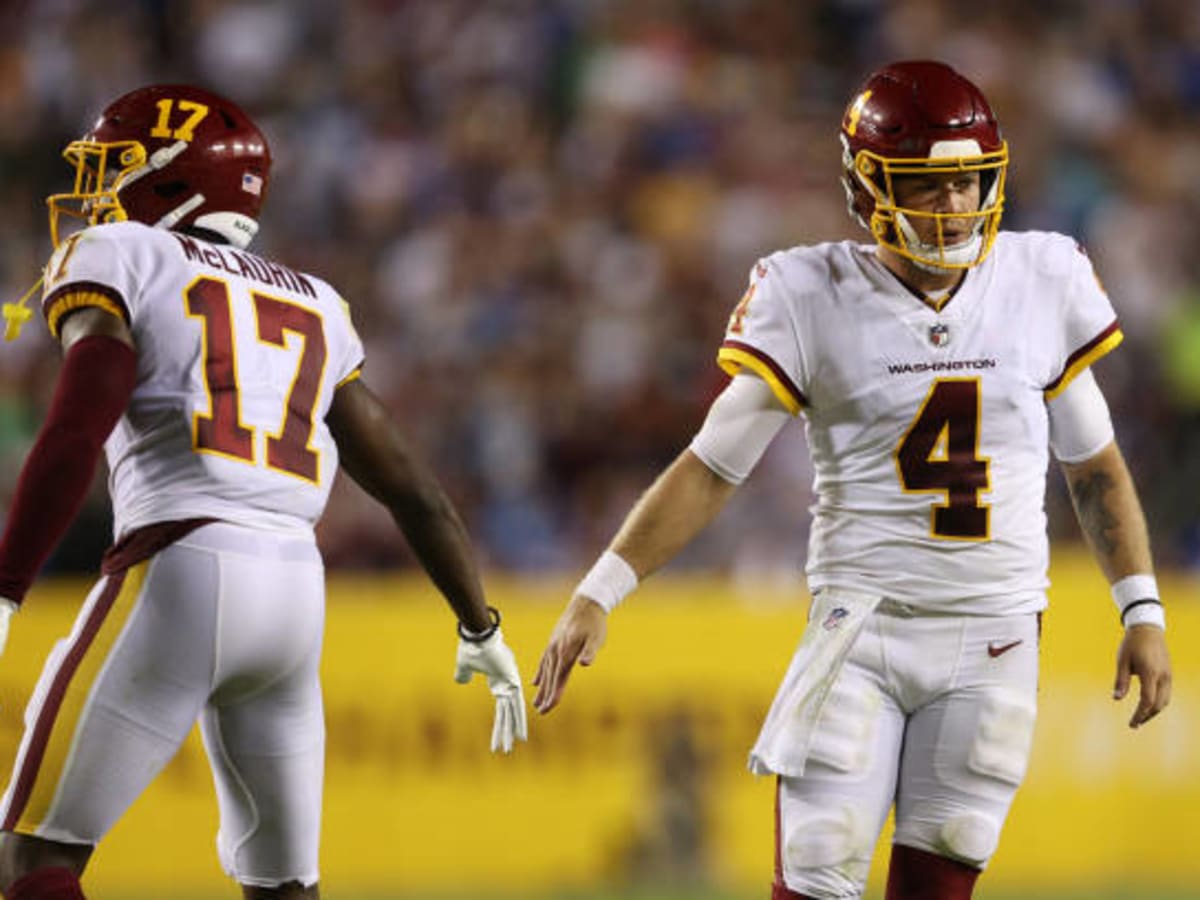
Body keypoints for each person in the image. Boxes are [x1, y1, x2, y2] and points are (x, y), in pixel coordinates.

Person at [533, 60, 1173, 900]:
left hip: (995, 636)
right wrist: (601, 589)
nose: (954, 208)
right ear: (869, 188)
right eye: (929, 186)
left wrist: (1142, 608)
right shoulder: (811, 291)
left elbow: (1094, 469)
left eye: (970, 182)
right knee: (818, 871)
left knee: (938, 881)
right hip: (861, 629)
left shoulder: (1040, 280)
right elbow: (712, 466)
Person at [0, 84, 526, 900]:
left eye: (118, 167)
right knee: (285, 888)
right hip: (292, 592)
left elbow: (77, 424)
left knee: (37, 858)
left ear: (171, 177)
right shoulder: (314, 299)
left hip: (178, 562)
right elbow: (411, 487)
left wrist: (4, 589)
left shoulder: (125, 253)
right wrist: (478, 621)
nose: (100, 190)